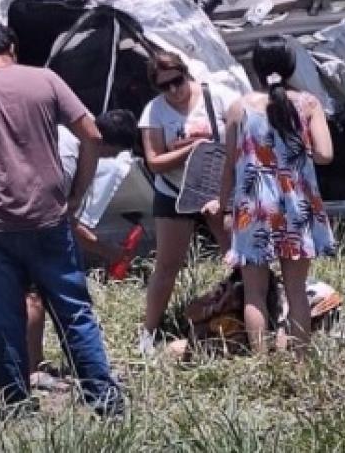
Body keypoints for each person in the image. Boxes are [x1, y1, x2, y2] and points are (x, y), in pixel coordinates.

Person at [0, 23, 123, 416]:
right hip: (48, 219)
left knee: (5, 320)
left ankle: (17, 405)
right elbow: (91, 135)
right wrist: (76, 194)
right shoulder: (46, 81)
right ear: (12, 47)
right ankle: (104, 400)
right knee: (73, 311)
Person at [211, 37, 334, 353]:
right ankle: (300, 359)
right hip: (296, 205)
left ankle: (261, 362)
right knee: (295, 289)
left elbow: (229, 164)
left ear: (257, 67)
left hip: (254, 207)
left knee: (254, 290)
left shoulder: (240, 108)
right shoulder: (308, 104)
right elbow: (325, 154)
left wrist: (222, 204)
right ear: (291, 66)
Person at [26, 109, 140, 383]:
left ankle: (37, 363)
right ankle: (34, 368)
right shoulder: (67, 157)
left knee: (41, 298)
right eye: (109, 155)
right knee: (37, 299)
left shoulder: (65, 138)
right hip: (32, 232)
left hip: (31, 228)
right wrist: (108, 251)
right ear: (102, 142)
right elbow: (60, 218)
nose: (105, 161)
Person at [137, 51, 235, 355]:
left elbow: (242, 134)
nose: (173, 91)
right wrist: (192, 147)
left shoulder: (218, 97)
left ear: (187, 74)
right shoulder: (154, 112)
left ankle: (251, 313)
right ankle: (148, 333)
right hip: (175, 191)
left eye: (177, 82)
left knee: (237, 256)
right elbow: (154, 162)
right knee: (167, 265)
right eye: (164, 86)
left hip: (218, 188)